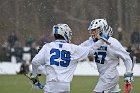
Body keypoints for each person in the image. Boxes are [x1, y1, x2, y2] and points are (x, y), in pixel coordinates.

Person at [30, 23, 110, 93]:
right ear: (65, 33)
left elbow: (35, 62)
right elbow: (91, 50)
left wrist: (34, 76)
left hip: (51, 86)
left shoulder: (47, 47)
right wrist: (102, 40)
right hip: (65, 87)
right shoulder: (72, 49)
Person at [80, 19, 133, 93]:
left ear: (102, 29)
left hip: (110, 75)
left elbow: (127, 58)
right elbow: (78, 49)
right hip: (103, 75)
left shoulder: (112, 42)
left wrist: (128, 75)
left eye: (95, 30)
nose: (92, 32)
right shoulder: (91, 41)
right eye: (92, 30)